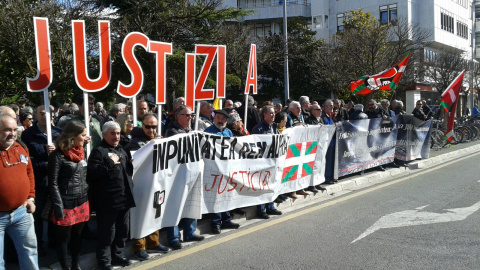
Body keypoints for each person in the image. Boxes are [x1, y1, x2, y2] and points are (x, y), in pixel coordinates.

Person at [87, 121, 136, 270]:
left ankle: (118, 255)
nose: (116, 136)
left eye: (118, 133)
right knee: (107, 233)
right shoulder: (98, 151)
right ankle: (104, 260)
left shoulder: (122, 149)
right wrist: (109, 162)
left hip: (124, 198)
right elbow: (92, 174)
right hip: (108, 201)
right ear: (104, 134)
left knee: (122, 231)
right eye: (112, 133)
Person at [124, 114, 169, 260]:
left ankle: (153, 243)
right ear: (142, 126)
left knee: (155, 212)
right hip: (141, 186)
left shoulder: (158, 139)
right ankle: (139, 247)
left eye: (154, 126)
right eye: (148, 126)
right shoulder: (134, 143)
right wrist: (153, 145)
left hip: (156, 183)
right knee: (141, 215)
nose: (151, 129)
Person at [48, 121, 90, 270]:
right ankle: (65, 267)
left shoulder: (81, 151)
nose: (86, 138)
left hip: (82, 200)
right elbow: (52, 183)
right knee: (64, 239)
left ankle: (75, 264)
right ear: (73, 136)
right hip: (66, 202)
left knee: (77, 237)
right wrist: (58, 208)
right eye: (83, 135)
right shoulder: (57, 155)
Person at [21, 105, 63, 255]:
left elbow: (66, 154)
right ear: (36, 116)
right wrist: (45, 162)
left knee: (55, 211)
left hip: (57, 180)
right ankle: (38, 245)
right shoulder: (28, 135)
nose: (45, 116)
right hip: (39, 180)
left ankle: (54, 241)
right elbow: (26, 159)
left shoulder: (59, 133)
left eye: (48, 113)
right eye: (41, 113)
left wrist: (57, 152)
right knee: (37, 214)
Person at [0, 114, 39, 270]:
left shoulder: (20, 146)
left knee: (29, 253)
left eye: (15, 129)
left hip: (22, 213)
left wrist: (31, 197)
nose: (12, 134)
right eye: (7, 130)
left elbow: (29, 172)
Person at [164, 105, 205, 249]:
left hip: (191, 172)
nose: (190, 118)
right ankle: (173, 238)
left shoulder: (189, 130)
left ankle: (190, 232)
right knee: (175, 205)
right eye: (187, 115)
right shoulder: (172, 130)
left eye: (191, 115)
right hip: (177, 175)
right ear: (178, 116)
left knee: (191, 202)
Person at [204, 110, 241, 234]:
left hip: (227, 169)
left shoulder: (228, 132)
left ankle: (227, 219)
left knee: (226, 195)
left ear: (226, 121)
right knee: (215, 197)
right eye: (218, 118)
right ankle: (215, 222)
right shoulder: (208, 132)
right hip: (213, 169)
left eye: (223, 119)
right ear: (214, 119)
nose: (220, 120)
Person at [251, 105, 283, 219]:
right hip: (262, 163)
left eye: (274, 113)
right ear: (264, 115)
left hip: (273, 162)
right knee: (262, 186)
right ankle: (261, 210)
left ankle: (270, 207)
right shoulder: (258, 128)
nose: (273, 115)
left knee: (271, 185)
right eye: (270, 113)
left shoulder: (274, 127)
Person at [320, 100, 337, 184]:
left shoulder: (329, 115)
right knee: (327, 161)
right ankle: (327, 178)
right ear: (325, 107)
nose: (332, 107)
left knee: (330, 161)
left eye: (332, 106)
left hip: (332, 142)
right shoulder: (322, 116)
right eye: (330, 105)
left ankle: (330, 177)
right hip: (327, 143)